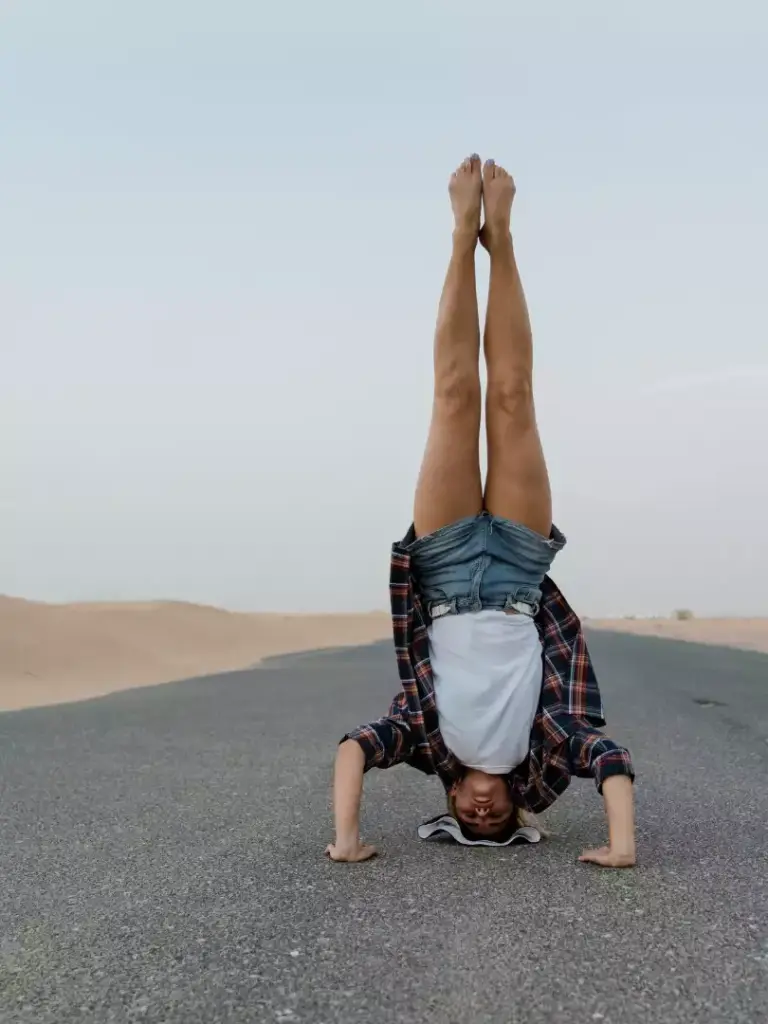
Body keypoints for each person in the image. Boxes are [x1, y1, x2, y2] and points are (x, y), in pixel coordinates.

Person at [327, 155, 636, 869]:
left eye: (467, 820)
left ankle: (463, 233)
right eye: (495, 825)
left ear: (453, 800)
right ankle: (505, 235)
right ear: (516, 812)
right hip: (520, 575)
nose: (481, 813)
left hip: (444, 568)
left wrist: (347, 840)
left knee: (456, 395)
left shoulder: (426, 736)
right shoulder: (545, 745)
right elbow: (610, 757)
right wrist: (621, 848)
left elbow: (352, 749)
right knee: (515, 396)